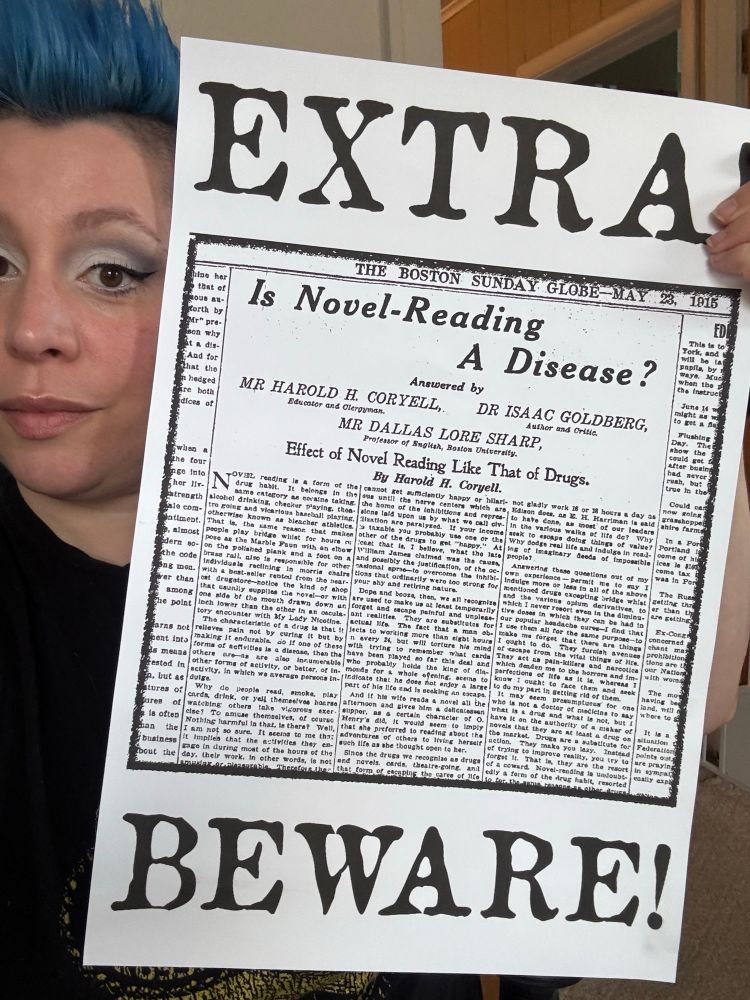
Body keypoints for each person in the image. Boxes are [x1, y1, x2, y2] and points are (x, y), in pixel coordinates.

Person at [0, 3, 747, 999]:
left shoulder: (395, 541)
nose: (34, 326)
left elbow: (677, 696)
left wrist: (720, 338)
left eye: (112, 271)